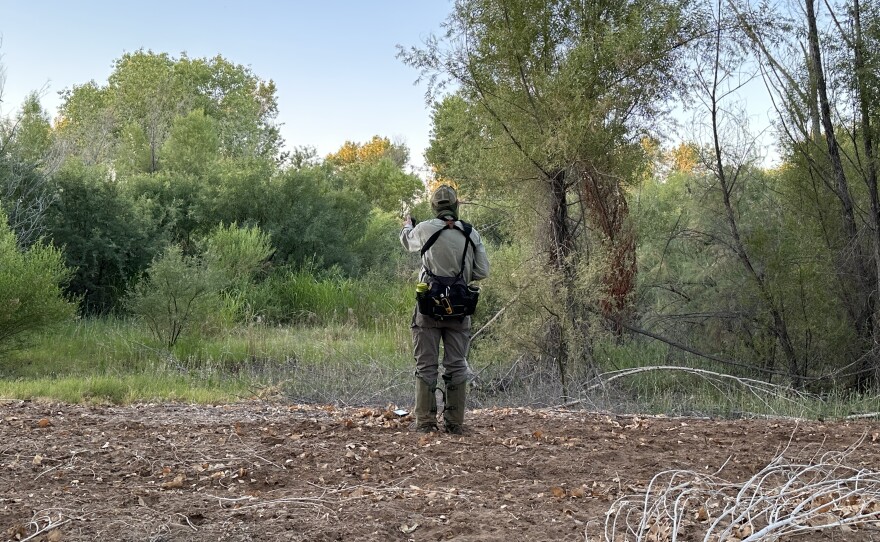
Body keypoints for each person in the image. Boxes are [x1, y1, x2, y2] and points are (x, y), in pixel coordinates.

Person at [400, 185, 490, 434]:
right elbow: (482, 271)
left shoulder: (425, 228)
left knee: (426, 365)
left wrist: (408, 225)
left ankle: (426, 423)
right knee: (457, 364)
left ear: (434, 207)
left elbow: (408, 242)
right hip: (460, 309)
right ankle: (455, 424)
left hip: (428, 307)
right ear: (456, 205)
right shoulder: (471, 233)